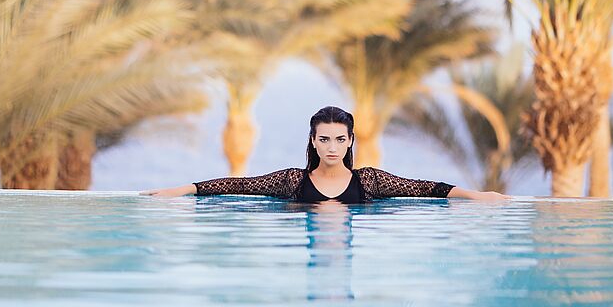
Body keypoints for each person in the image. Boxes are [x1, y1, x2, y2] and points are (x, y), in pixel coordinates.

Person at [141, 106, 512, 202]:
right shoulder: (292, 181)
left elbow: (426, 188)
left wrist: (477, 195)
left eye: (339, 139)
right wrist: (181, 190)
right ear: (314, 142)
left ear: (350, 141)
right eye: (325, 139)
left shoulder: (368, 180)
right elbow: (237, 184)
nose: (332, 147)